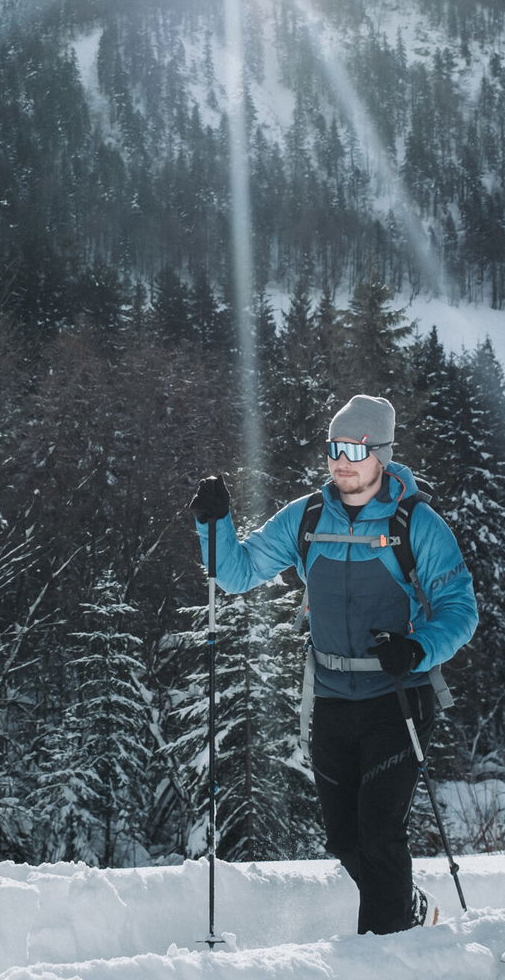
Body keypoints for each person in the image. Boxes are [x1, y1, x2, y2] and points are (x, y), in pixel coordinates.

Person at [190, 394, 478, 935]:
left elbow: (461, 609)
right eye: (333, 447)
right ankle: (411, 912)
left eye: (354, 448)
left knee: (379, 830)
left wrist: (418, 648)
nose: (341, 460)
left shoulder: (418, 524)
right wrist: (216, 523)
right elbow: (235, 573)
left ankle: (382, 956)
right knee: (345, 840)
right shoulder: (306, 517)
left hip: (398, 696)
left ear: (383, 455)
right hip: (330, 696)